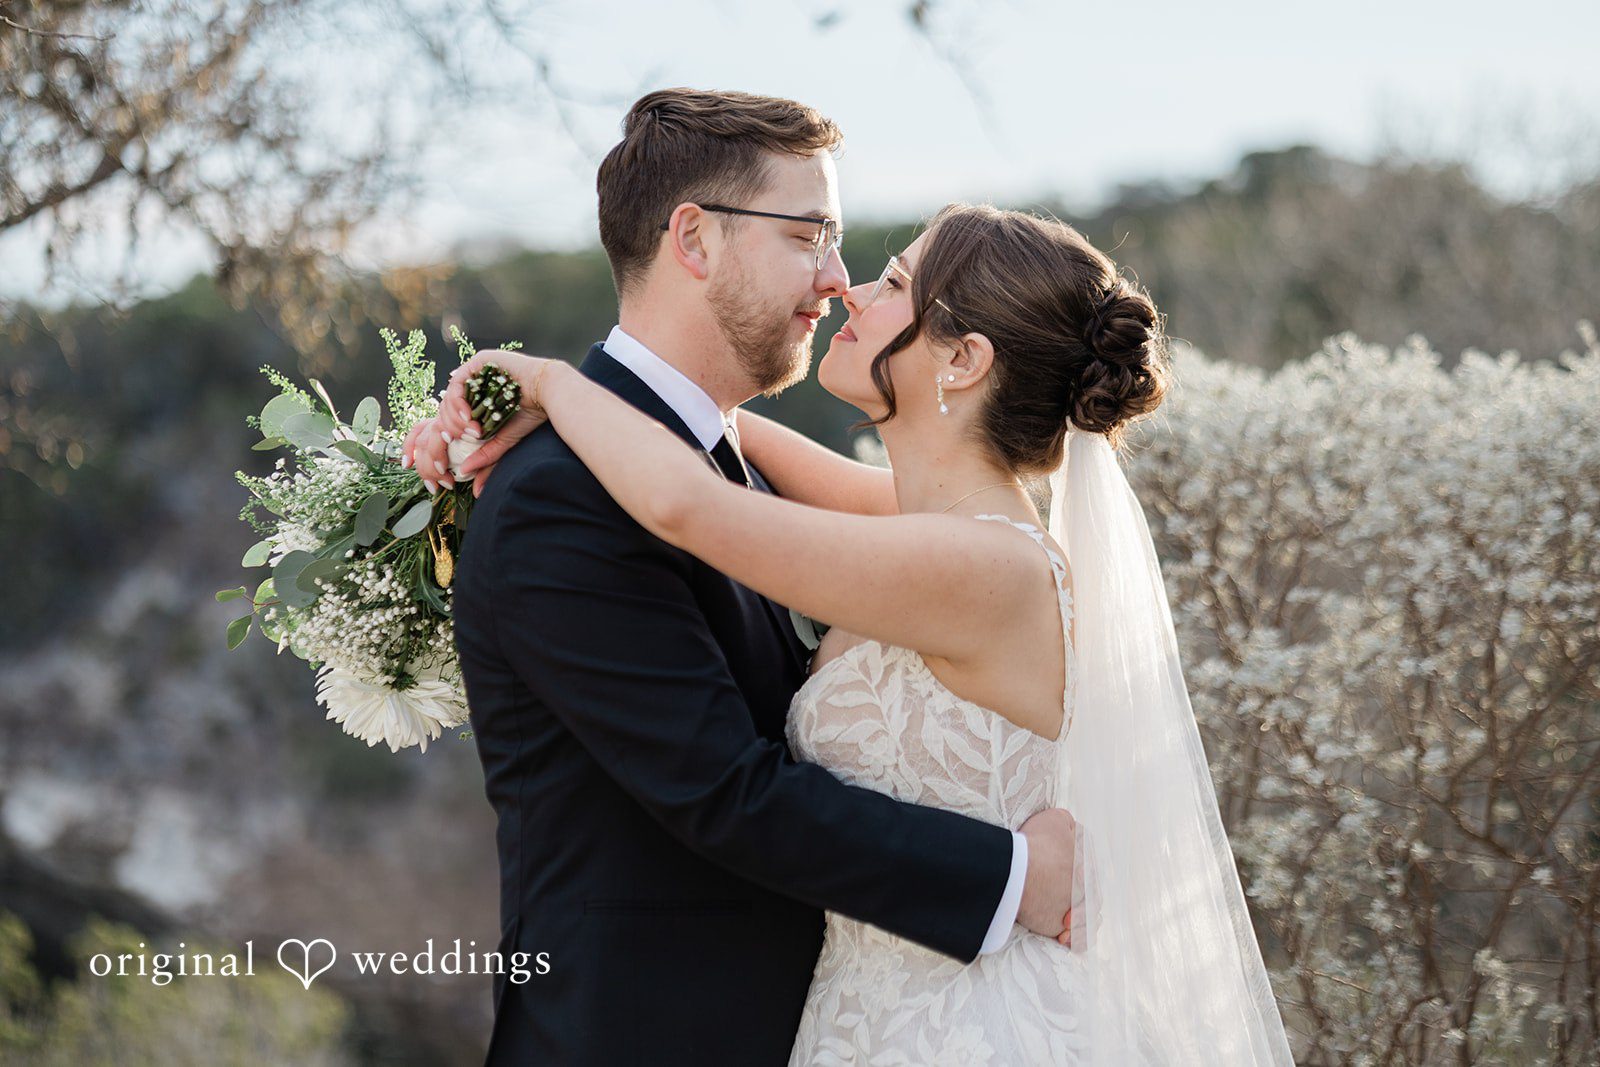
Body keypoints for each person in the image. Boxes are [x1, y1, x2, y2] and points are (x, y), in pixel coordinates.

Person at [412, 196, 1296, 1061]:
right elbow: (724, 440)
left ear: (963, 359)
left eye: (895, 284)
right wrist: (592, 410)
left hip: (967, 1028)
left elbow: (688, 502)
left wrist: (555, 383)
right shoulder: (947, 528)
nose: (852, 293)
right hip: (871, 1010)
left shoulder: (981, 570)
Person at [401, 88, 1084, 1066]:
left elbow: (707, 483)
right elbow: (725, 792)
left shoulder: (734, 475)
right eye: (811, 234)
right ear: (695, 239)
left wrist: (559, 386)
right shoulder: (563, 498)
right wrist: (1012, 877)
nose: (837, 280)